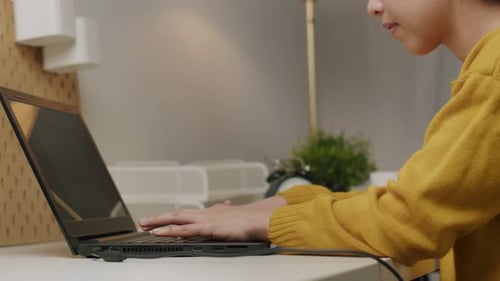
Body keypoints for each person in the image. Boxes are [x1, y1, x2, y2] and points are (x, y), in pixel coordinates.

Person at [139, 0, 500, 280]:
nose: (372, 7)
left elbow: (408, 223)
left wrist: (263, 224)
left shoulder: (492, 75)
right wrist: (286, 205)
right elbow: (426, 204)